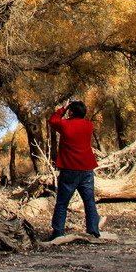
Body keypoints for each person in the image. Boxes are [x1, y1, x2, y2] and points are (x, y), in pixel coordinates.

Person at [47, 100, 100, 240]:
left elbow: (52, 120)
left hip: (69, 168)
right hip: (87, 168)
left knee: (62, 202)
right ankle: (93, 230)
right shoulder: (89, 125)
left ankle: (58, 232)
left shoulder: (65, 125)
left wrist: (62, 109)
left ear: (71, 112)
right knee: (89, 201)